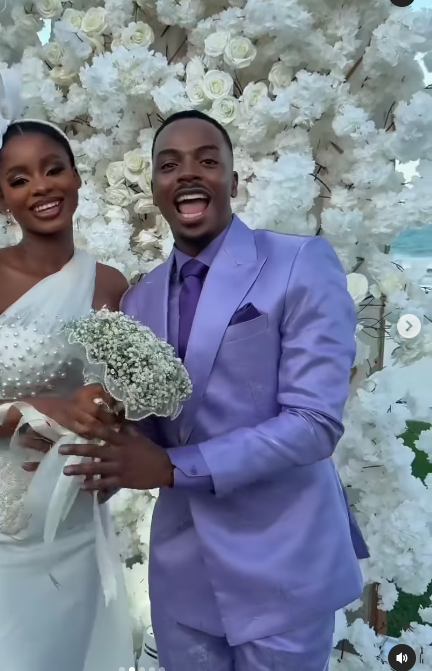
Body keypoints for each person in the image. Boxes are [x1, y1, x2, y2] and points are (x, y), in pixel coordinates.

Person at [60, 110, 370, 671]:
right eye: (169, 165)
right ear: (155, 187)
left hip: (283, 563)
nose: (188, 173)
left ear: (233, 179)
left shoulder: (299, 262)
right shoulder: (139, 301)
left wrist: (171, 468)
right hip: (184, 573)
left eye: (207, 160)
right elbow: (155, 431)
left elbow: (314, 424)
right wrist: (103, 435)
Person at [0, 120, 134, 671]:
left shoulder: (113, 286)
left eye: (53, 169)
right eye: (18, 180)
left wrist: (114, 433)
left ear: (76, 177)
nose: (41, 186)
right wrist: (48, 411)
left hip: (73, 528)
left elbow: (120, 404)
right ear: (2, 200)